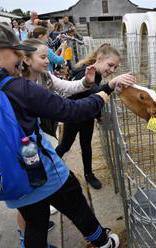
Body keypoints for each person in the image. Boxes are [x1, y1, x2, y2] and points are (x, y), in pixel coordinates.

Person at [0, 23, 132, 248]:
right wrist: (104, 93)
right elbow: (71, 110)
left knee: (36, 221)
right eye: (15, 50)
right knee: (75, 201)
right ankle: (103, 242)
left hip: (11, 180)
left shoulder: (39, 80)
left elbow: (68, 87)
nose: (19, 56)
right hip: (38, 169)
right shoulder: (17, 87)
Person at [16, 37, 99, 248]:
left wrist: (87, 81)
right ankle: (27, 238)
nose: (48, 60)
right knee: (31, 197)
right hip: (23, 147)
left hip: (36, 139)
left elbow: (68, 87)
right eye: (43, 57)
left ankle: (31, 238)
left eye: (47, 56)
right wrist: (101, 96)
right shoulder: (17, 85)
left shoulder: (44, 77)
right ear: (25, 59)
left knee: (32, 201)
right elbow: (65, 108)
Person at [56, 43, 135, 189]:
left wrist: (98, 115)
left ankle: (88, 174)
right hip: (73, 117)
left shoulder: (97, 74)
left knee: (86, 145)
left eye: (115, 68)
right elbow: (94, 92)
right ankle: (49, 169)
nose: (112, 70)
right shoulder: (84, 73)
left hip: (86, 115)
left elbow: (95, 97)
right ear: (99, 58)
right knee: (65, 145)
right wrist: (111, 84)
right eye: (110, 65)